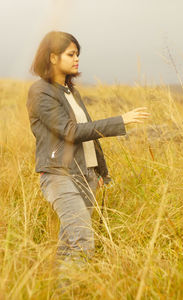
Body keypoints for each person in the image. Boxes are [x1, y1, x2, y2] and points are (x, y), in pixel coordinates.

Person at [26, 31, 149, 270]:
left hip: (86, 175)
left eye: (77, 54)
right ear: (52, 57)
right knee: (82, 239)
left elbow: (89, 136)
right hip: (59, 174)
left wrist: (100, 172)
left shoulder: (71, 92)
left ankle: (56, 290)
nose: (76, 59)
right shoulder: (40, 91)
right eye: (70, 54)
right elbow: (71, 131)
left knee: (69, 241)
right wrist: (120, 121)